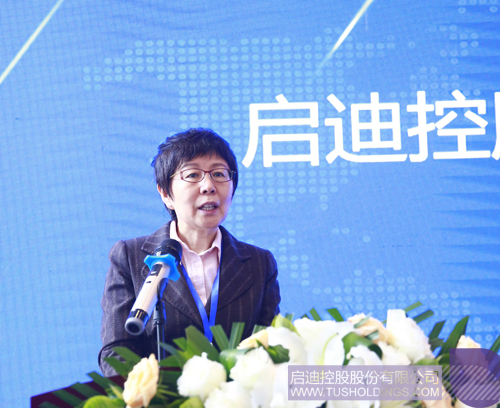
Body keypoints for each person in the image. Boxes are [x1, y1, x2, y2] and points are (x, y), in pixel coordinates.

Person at [99, 128, 280, 376]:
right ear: (166, 194)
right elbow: (117, 354)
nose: (208, 186)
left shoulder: (259, 263)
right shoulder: (130, 258)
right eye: (193, 175)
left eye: (219, 174)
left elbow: (271, 347)